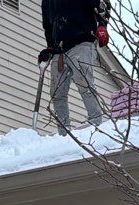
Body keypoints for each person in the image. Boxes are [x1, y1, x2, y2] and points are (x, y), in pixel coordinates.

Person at [40, 0, 109, 132]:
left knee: (84, 82)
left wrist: (102, 25)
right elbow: (48, 27)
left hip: (81, 41)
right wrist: (50, 47)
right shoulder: (46, 2)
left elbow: (102, 5)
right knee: (57, 93)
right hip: (60, 51)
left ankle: (96, 123)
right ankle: (64, 133)